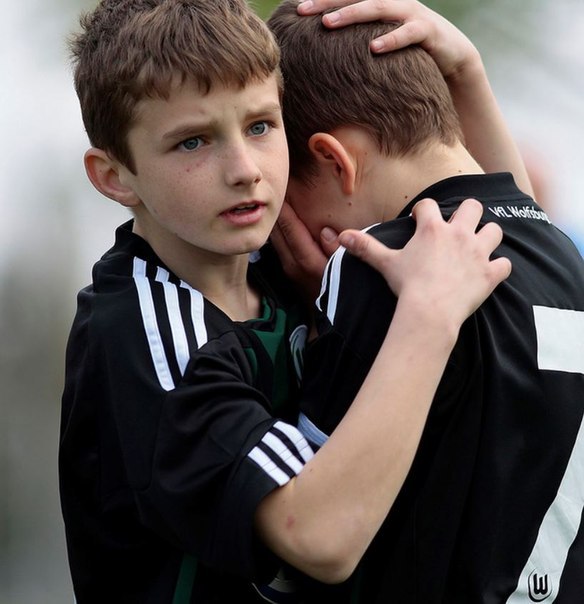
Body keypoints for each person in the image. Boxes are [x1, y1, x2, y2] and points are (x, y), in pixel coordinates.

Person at [59, 0, 513, 602]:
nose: (244, 170)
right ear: (116, 177)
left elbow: (516, 259)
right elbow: (319, 538)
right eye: (193, 142)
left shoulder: (275, 267)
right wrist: (428, 315)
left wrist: (465, 74)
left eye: (260, 126)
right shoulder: (150, 334)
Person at [267, 1, 584, 602]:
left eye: (289, 200)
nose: (296, 231)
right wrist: (467, 70)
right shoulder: (563, 257)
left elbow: (308, 540)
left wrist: (322, 310)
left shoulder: (379, 269)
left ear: (334, 160)